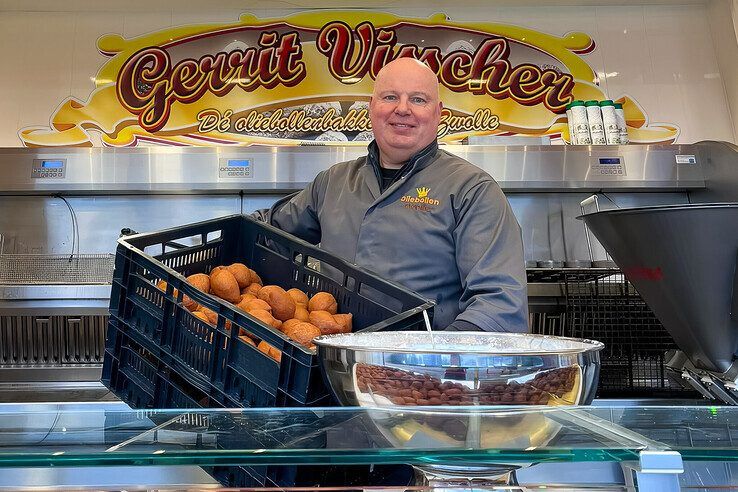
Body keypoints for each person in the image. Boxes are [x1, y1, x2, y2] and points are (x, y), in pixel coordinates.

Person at [261, 58, 528, 332]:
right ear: (372, 108)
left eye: (418, 99)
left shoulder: (472, 189)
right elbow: (267, 235)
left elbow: (499, 306)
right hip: (332, 362)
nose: (402, 109)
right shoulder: (332, 182)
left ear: (438, 113)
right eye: (390, 97)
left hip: (421, 370)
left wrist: (429, 363)